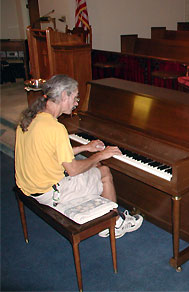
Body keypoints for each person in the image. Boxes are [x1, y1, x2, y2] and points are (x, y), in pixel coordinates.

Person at [15, 74, 143, 238]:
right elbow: (74, 170)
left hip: (30, 186)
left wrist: (85, 148)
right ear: (63, 96)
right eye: (75, 97)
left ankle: (99, 210)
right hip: (50, 193)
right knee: (103, 171)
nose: (76, 103)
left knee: (93, 167)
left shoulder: (31, 118)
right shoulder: (55, 128)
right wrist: (100, 155)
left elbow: (50, 152)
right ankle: (114, 224)